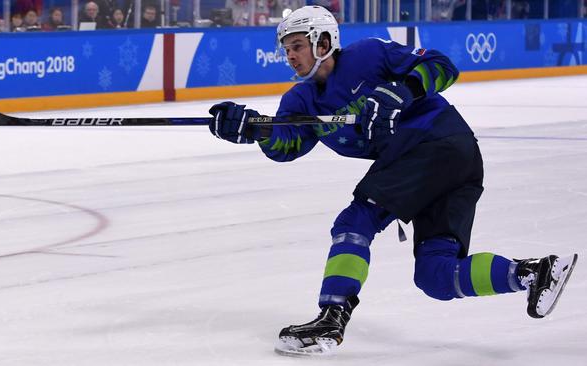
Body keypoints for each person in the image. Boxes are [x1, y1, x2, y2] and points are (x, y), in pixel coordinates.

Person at [207, 5, 578, 356]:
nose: (290, 55)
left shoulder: (368, 56)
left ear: (324, 42)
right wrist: (256, 128)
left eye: (298, 46)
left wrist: (402, 90)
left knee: (356, 221)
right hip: (440, 164)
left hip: (436, 141)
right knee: (436, 275)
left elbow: (441, 65)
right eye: (287, 49)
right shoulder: (301, 102)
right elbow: (288, 144)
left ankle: (332, 318)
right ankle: (532, 272)